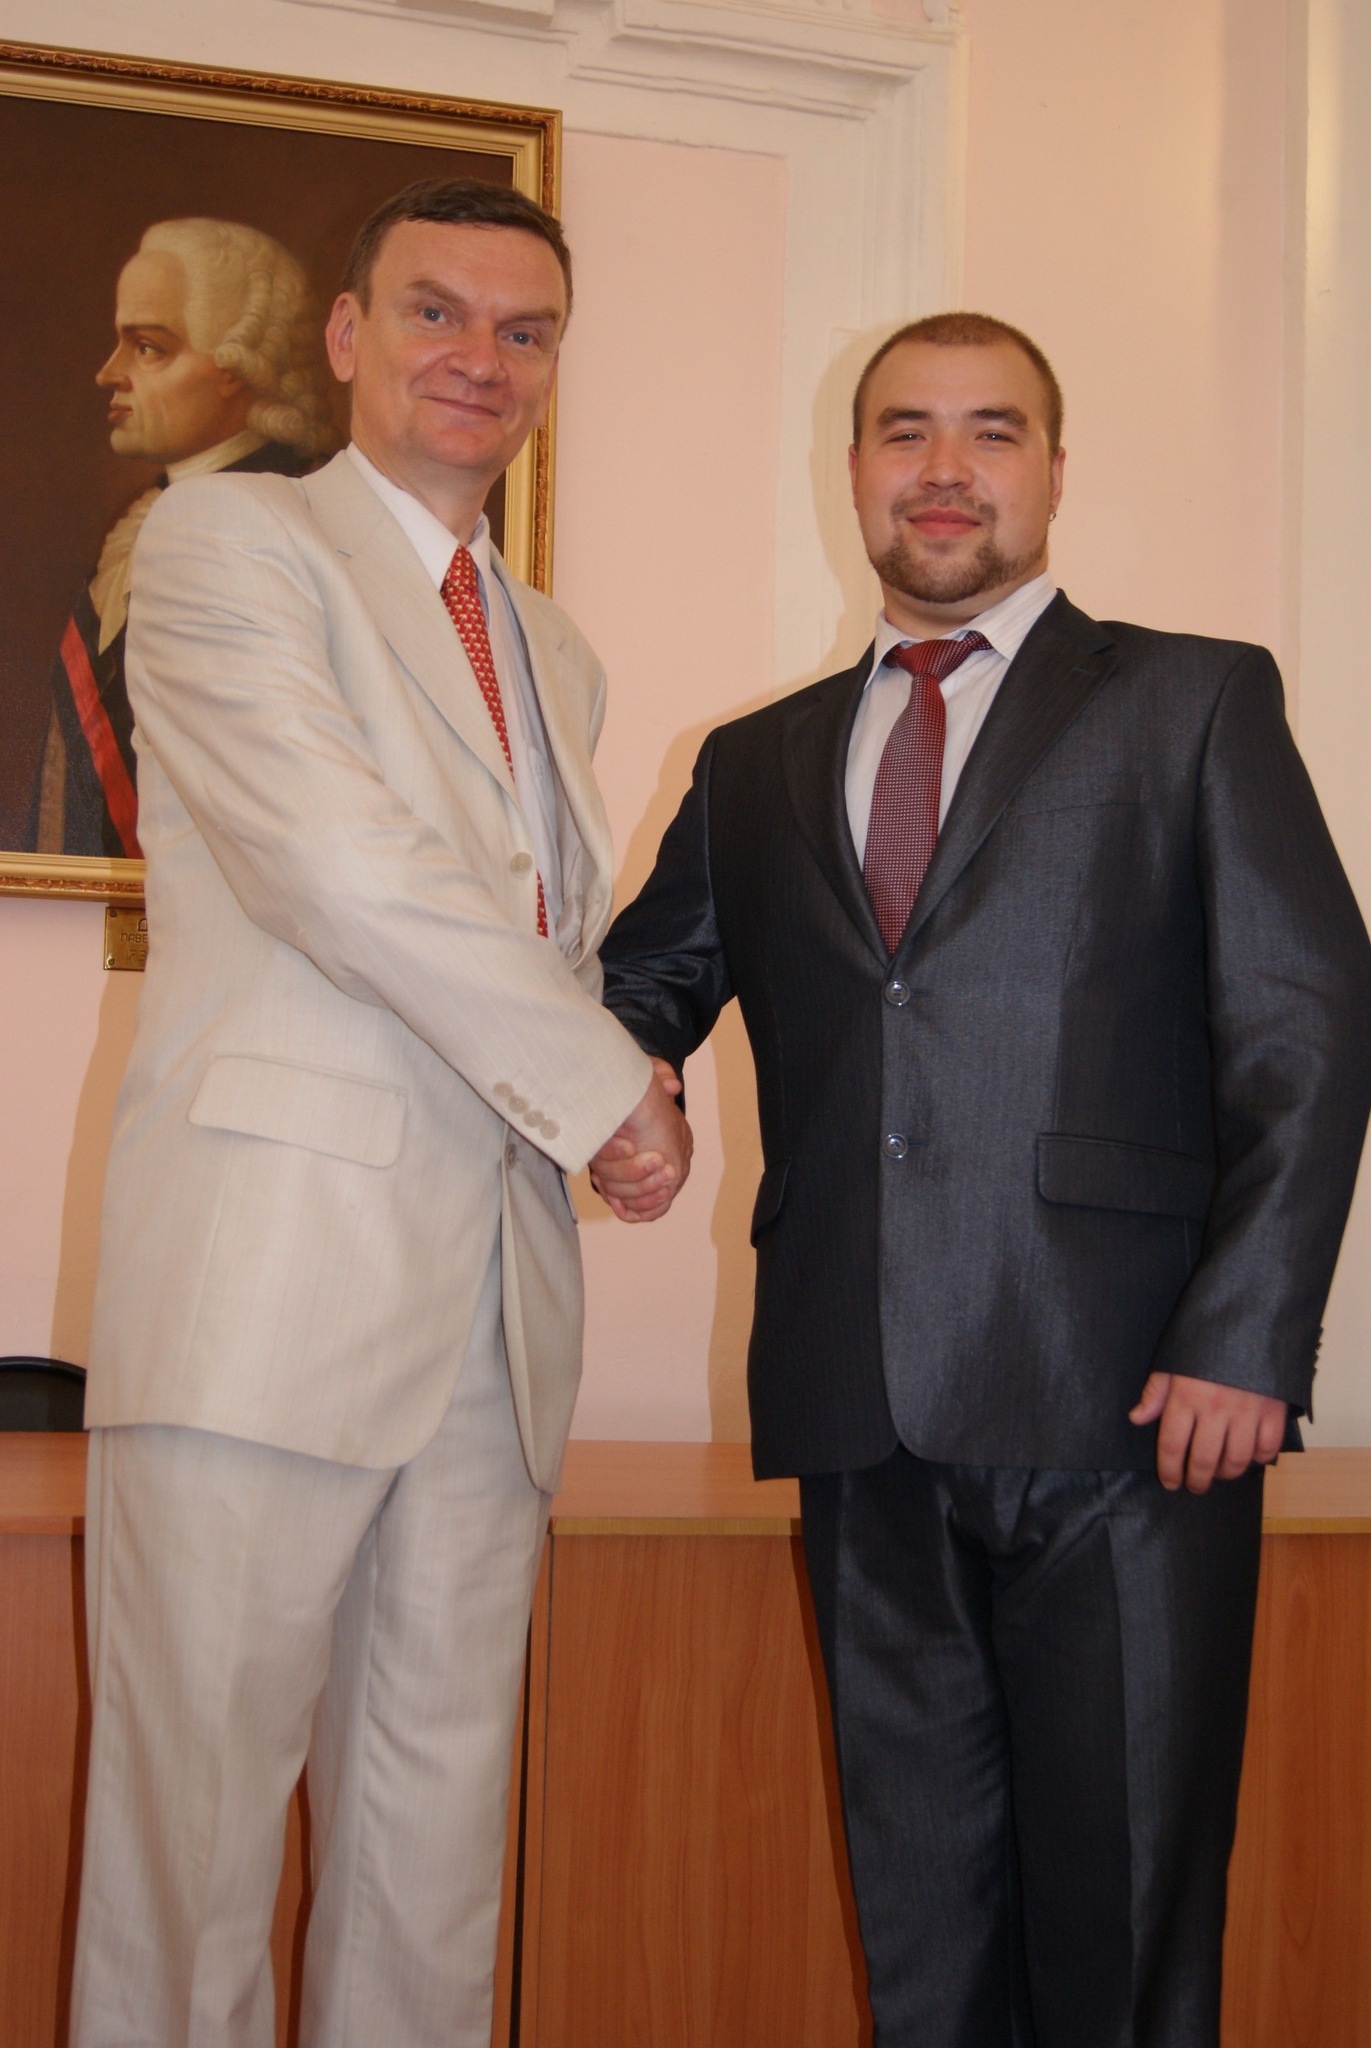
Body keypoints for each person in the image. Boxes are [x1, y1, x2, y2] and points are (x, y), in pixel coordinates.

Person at [592, 312, 1371, 2046]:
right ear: (851, 469)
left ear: (1053, 471)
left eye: (991, 431)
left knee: (1121, 1934)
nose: (944, 469)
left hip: (1134, 1408)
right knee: (924, 1932)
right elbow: (648, 979)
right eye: (905, 431)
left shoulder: (1189, 699)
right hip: (857, 1405)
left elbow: (1305, 1029)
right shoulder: (756, 758)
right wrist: (626, 1080)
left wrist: (1247, 1335)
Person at [71, 178, 689, 2048]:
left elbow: (531, 935)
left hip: (494, 1318)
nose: (479, 356)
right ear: (345, 337)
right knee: (188, 1863)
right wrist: (607, 1093)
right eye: (435, 310)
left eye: (524, 329)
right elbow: (342, 871)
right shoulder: (223, 544)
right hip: (266, 1296)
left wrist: (619, 1066)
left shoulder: (554, 648)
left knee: (434, 1864)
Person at [28, 216, 336, 856]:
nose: (109, 373)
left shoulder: (298, 526)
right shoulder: (145, 520)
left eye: (148, 348)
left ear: (235, 367)